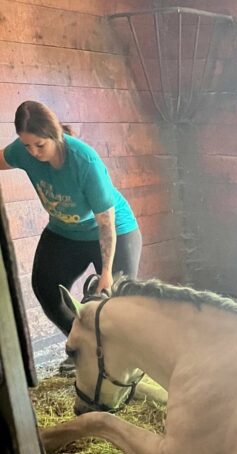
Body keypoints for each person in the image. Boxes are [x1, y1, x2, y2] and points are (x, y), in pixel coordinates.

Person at [0, 100, 142, 372]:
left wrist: (107, 272)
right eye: (27, 145)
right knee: (45, 287)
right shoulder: (23, 151)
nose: (33, 152)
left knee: (119, 302)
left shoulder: (83, 160)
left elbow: (105, 223)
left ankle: (122, 366)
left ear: (54, 134)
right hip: (64, 231)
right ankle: (83, 349)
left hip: (114, 230)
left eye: (39, 145)